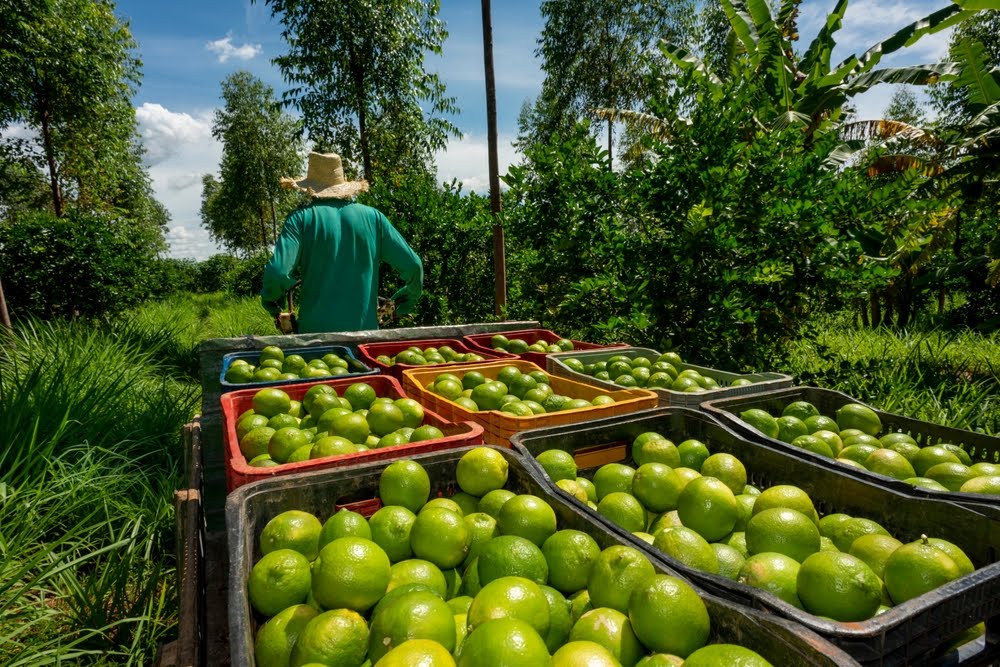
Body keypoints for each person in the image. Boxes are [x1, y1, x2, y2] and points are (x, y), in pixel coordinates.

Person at [260, 151, 423, 333]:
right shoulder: (374, 218)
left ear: (309, 187)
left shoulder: (300, 219)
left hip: (314, 338)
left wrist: (274, 305)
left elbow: (278, 272)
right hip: (365, 336)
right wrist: (404, 301)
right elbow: (414, 266)